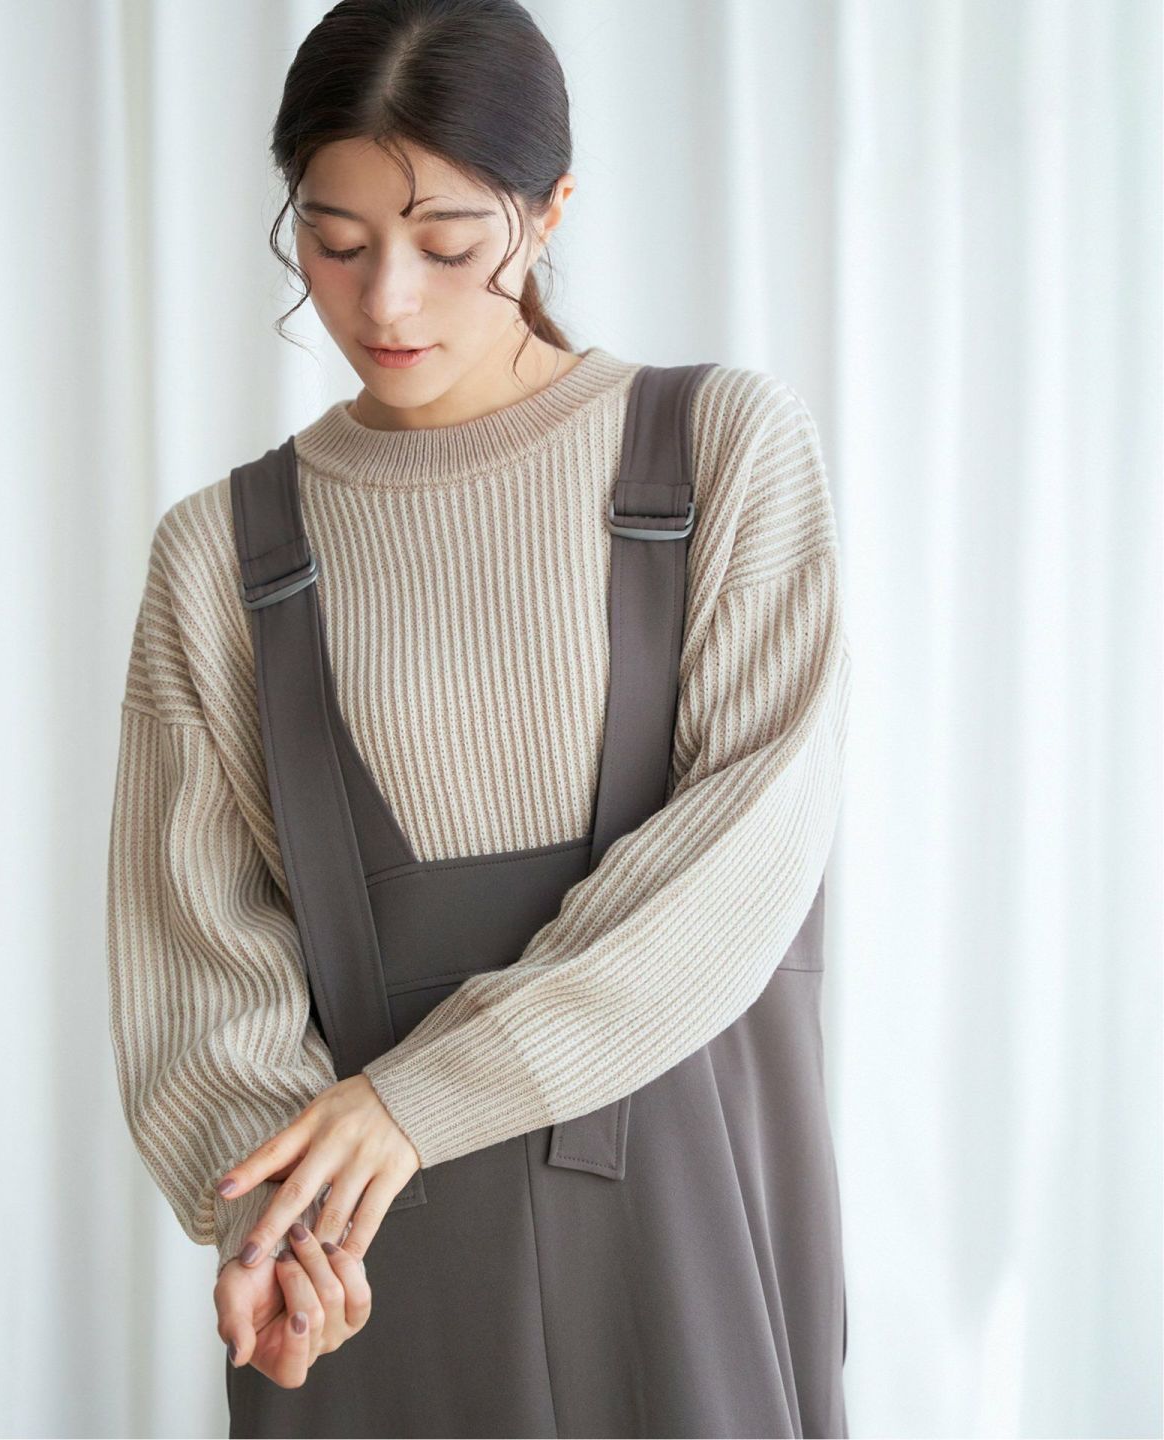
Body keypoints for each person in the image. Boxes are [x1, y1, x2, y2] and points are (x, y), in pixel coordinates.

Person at [105, 0, 853, 1434]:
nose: (387, 304)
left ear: (550, 209)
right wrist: (277, 1229)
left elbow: (743, 857)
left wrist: (419, 1100)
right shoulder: (221, 555)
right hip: (364, 1272)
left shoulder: (717, 451)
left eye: (448, 245)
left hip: (684, 1237)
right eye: (335, 241)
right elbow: (195, 955)